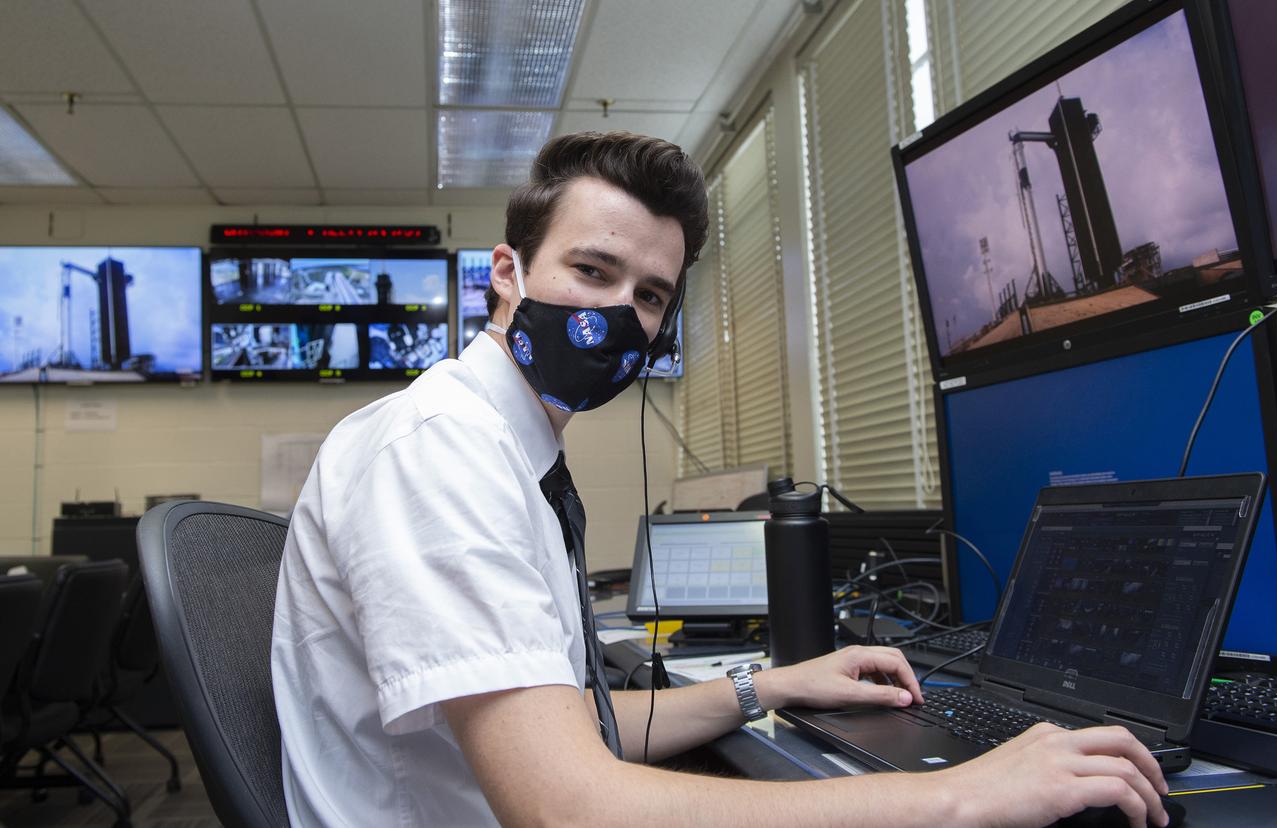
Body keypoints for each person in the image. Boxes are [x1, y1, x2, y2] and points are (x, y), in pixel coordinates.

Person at [271, 131, 1169, 828]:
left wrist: (767, 687)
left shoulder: (502, 442)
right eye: (591, 271)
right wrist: (965, 795)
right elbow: (567, 806)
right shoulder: (440, 452)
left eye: (650, 296)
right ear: (507, 274)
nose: (619, 315)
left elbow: (576, 731)